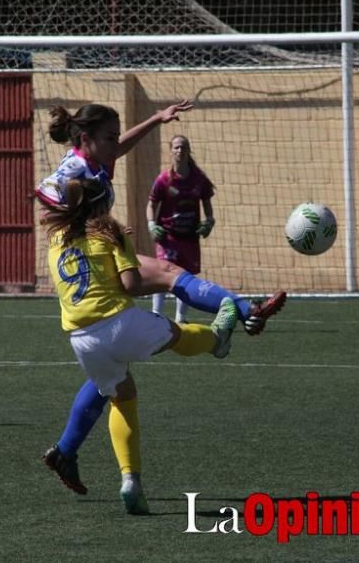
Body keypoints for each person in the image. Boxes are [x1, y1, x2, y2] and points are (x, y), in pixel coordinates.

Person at [36, 101, 286, 495]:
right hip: (93, 258)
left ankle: (67, 451)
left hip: (83, 297)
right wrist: (91, 227)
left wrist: (155, 119)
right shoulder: (74, 168)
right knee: (169, 277)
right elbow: (44, 191)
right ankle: (239, 314)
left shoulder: (96, 158)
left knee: (112, 380)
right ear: (86, 139)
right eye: (110, 137)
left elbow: (114, 152)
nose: (116, 143)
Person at [43, 177, 239, 514]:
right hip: (119, 324)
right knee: (176, 335)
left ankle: (131, 480)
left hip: (82, 340)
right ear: (102, 205)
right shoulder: (109, 232)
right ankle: (217, 338)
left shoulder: (55, 240)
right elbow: (131, 285)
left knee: (122, 396)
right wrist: (127, 251)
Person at [147, 135, 215, 323]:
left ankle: (181, 318)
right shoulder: (164, 179)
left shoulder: (199, 179)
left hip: (190, 237)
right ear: (171, 151)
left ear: (188, 150)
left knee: (184, 277)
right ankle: (156, 315)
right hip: (168, 237)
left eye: (183, 147)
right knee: (163, 273)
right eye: (176, 147)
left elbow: (207, 202)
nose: (180, 150)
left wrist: (209, 221)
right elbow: (151, 204)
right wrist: (151, 224)